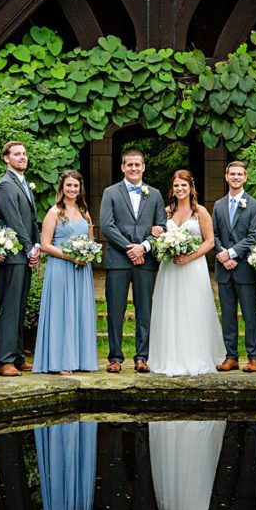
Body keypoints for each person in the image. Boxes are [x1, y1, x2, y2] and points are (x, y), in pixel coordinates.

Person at [147, 169, 226, 375]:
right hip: (170, 268)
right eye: (176, 185)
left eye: (184, 185)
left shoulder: (200, 212)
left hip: (193, 268)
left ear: (191, 188)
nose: (180, 189)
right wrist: (156, 232)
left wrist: (190, 257)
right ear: (172, 189)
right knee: (170, 309)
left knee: (194, 309)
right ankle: (170, 356)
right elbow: (158, 235)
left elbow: (210, 241)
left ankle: (195, 355)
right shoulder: (166, 213)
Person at [99, 148, 167, 373]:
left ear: (144, 167)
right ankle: (115, 358)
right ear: (123, 167)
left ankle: (142, 357)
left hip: (145, 261)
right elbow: (107, 226)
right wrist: (130, 248)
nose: (134, 168)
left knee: (144, 310)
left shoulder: (155, 194)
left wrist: (144, 247)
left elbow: (161, 227)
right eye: (130, 165)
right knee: (115, 310)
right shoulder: (110, 192)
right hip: (118, 260)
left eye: (138, 165)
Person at [32, 171, 98, 375]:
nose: (72, 189)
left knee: (79, 311)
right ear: (62, 188)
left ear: (80, 189)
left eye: (76, 186)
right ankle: (60, 361)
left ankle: (80, 358)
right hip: (61, 267)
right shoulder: (54, 212)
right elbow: (45, 244)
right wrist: (70, 256)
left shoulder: (85, 212)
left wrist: (88, 254)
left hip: (81, 269)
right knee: (62, 312)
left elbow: (91, 240)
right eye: (68, 186)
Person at [0, 141, 42, 377]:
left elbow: (31, 220)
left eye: (24, 153)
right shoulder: (5, 185)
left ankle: (18, 356)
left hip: (24, 255)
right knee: (10, 308)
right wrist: (29, 248)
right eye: (17, 154)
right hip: (13, 256)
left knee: (20, 307)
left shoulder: (23, 183)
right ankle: (5, 360)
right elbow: (14, 221)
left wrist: (38, 245)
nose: (22, 157)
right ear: (6, 158)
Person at [211, 161, 256, 373]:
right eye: (232, 174)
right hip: (224, 270)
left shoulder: (254, 205)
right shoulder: (218, 205)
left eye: (239, 174)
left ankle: (254, 357)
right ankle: (231, 356)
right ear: (226, 177)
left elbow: (253, 236)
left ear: (245, 177)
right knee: (228, 316)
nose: (236, 177)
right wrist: (222, 255)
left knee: (250, 316)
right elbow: (212, 234)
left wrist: (232, 253)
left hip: (245, 270)